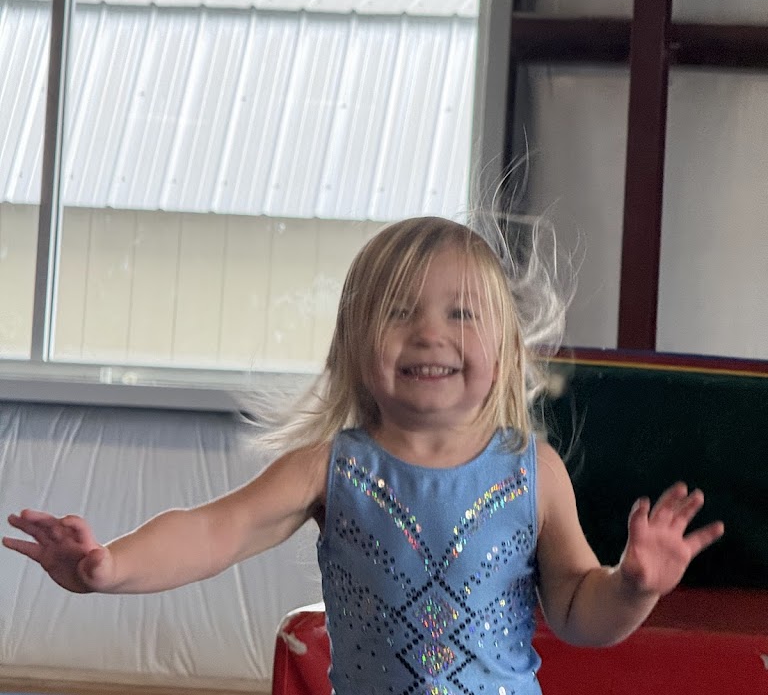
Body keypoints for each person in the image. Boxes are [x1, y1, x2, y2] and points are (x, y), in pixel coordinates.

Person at [3, 216, 723, 695]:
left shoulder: (532, 472)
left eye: (461, 314)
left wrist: (632, 586)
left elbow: (575, 611)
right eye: (399, 311)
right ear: (354, 344)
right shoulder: (331, 468)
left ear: (505, 351)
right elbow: (214, 530)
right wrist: (110, 566)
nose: (429, 333)